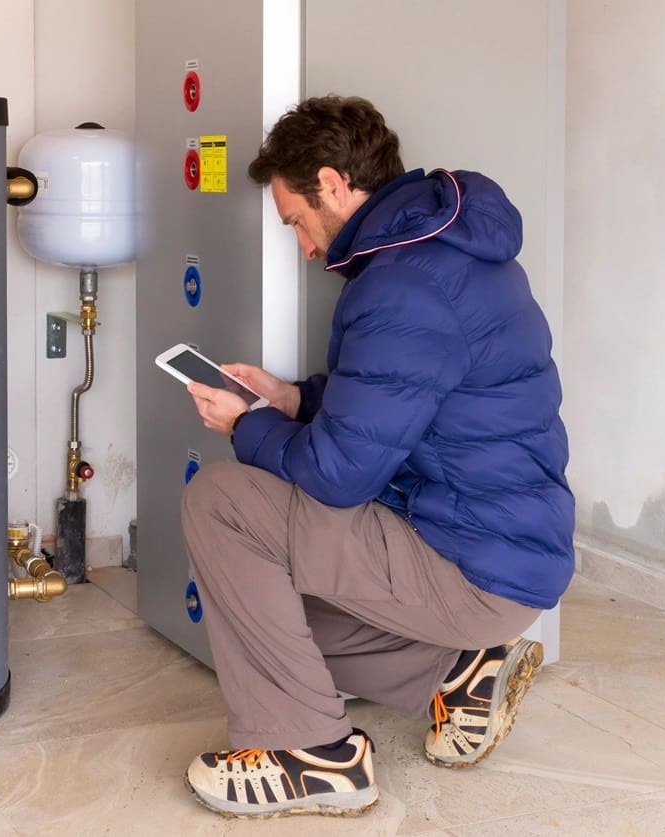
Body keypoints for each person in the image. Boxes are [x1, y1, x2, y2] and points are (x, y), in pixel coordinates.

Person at [178, 96, 575, 819]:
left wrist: (247, 424)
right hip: (501, 551)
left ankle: (312, 756)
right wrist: (291, 399)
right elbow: (402, 404)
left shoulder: (403, 286)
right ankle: (455, 672)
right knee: (266, 618)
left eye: (296, 220)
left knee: (222, 501)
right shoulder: (439, 254)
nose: (301, 245)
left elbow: (338, 475)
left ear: (332, 184)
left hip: (472, 565)